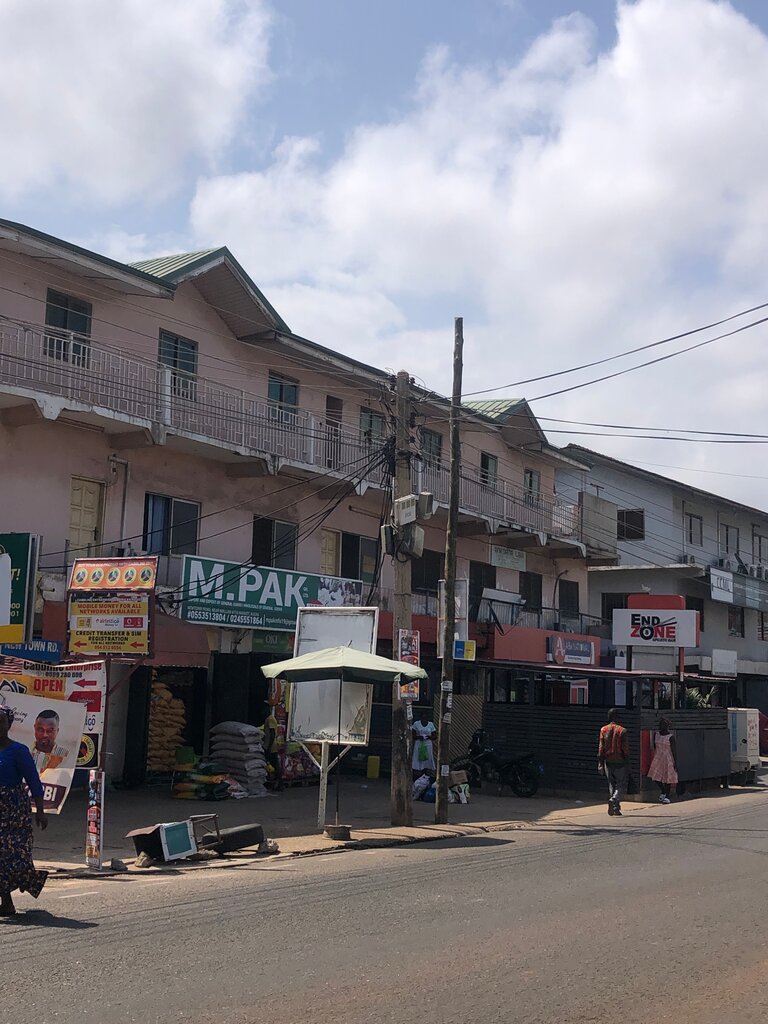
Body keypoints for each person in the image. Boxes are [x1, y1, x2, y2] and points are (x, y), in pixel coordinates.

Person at [0, 705, 48, 915]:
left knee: (11, 855)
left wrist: (40, 810)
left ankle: (7, 901)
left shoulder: (18, 751)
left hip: (13, 811)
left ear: (9, 724)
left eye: (0, 721)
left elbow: (33, 781)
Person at [598, 708, 629, 816]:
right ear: (617, 717)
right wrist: (627, 760)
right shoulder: (622, 730)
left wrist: (600, 763)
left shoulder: (603, 730)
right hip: (619, 761)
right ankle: (614, 799)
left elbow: (601, 749)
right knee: (621, 784)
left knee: (611, 784)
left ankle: (616, 808)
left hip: (607, 761)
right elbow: (625, 749)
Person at [647, 716, 678, 804]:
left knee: (667, 778)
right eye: (660, 725)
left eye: (664, 725)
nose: (662, 727)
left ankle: (667, 796)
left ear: (668, 726)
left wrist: (675, 762)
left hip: (668, 758)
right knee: (655, 777)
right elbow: (654, 745)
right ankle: (663, 791)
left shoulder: (670, 737)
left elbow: (674, 751)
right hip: (658, 757)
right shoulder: (656, 734)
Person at [32, 709, 68, 774]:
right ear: (35, 728)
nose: (44, 735)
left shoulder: (66, 755)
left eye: (50, 731)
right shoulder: (25, 752)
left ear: (57, 731)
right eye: (40, 729)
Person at [412, 711, 436, 778]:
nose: (424, 719)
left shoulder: (431, 724)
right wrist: (419, 737)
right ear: (420, 718)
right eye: (423, 717)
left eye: (425, 718)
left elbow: (435, 736)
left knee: (427, 759)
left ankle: (426, 775)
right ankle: (415, 776)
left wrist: (429, 737)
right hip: (419, 744)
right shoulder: (416, 724)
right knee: (417, 759)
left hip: (427, 744)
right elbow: (413, 735)